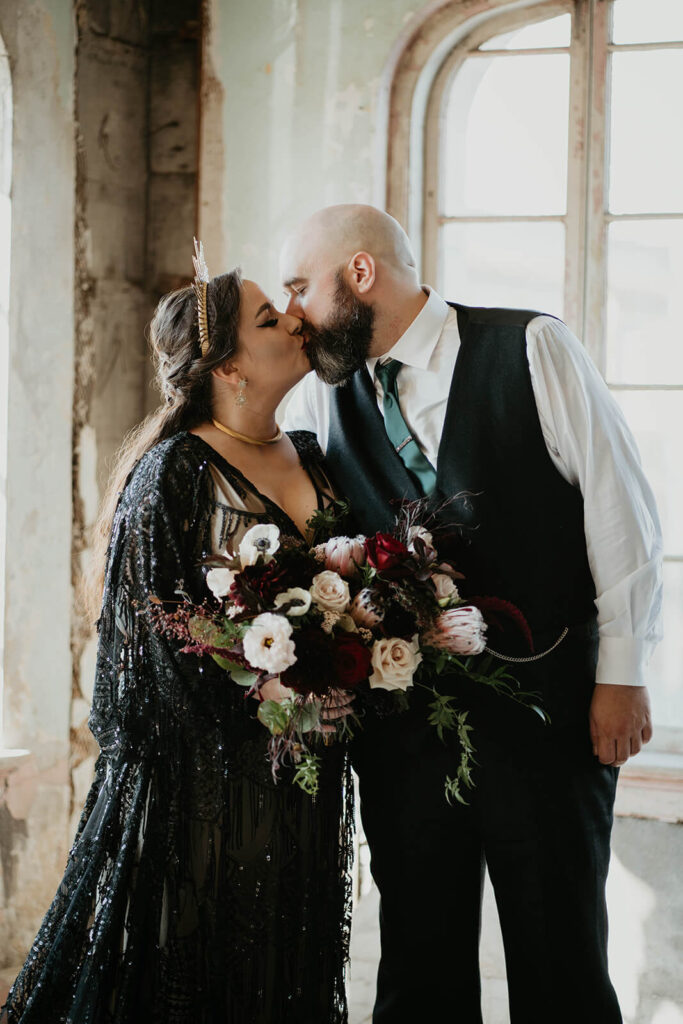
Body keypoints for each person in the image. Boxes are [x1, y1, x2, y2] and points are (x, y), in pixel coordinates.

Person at [281, 204, 662, 1024]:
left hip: (550, 708)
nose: (292, 313)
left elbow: (620, 511)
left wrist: (621, 676)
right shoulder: (322, 400)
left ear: (359, 274)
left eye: (299, 287)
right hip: (404, 726)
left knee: (558, 955)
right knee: (417, 964)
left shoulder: (529, 347)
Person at [1, 259, 354, 1024]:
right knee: (196, 971)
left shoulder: (315, 455)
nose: (297, 321)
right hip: (201, 786)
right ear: (227, 366)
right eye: (270, 319)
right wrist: (274, 711)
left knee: (282, 967)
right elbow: (151, 648)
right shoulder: (172, 474)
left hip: (305, 782)